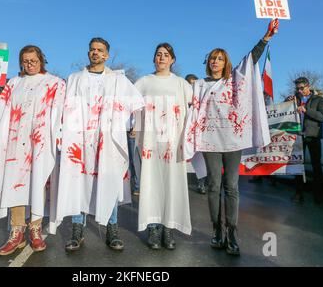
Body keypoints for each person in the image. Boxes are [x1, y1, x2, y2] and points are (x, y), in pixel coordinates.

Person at [184, 19, 279, 256]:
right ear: (208, 63)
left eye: (220, 58)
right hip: (209, 140)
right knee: (214, 185)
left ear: (225, 63)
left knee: (232, 187)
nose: (215, 62)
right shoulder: (198, 85)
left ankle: (232, 233)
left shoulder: (233, 80)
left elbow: (250, 61)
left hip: (232, 140)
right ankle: (217, 230)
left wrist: (266, 37)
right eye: (212, 58)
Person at [55, 37, 144, 252]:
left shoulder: (118, 80)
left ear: (106, 55)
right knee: (79, 183)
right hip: (80, 141)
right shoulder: (74, 78)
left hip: (108, 141)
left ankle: (111, 228)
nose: (95, 53)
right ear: (88, 53)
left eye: (100, 50)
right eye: (92, 49)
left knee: (109, 181)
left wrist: (136, 126)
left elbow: (138, 103)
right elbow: (61, 108)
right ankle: (78, 229)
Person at [0, 45, 66, 256]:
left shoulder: (55, 83)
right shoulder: (14, 83)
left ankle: (34, 228)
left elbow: (61, 111)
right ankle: (16, 232)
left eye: (33, 60)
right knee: (14, 183)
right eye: (25, 61)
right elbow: (0, 108)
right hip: (15, 141)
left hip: (39, 142)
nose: (30, 65)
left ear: (41, 60)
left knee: (37, 183)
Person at [134, 43, 193, 250]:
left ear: (172, 60)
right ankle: (153, 227)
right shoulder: (143, 82)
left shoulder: (181, 85)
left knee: (172, 185)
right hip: (150, 144)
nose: (161, 58)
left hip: (173, 144)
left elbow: (199, 108)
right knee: (150, 185)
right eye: (158, 54)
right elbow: (130, 107)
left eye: (166, 55)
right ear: (154, 59)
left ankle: (168, 228)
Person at [285, 77, 323, 205]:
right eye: (297, 88)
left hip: (313, 136)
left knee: (316, 166)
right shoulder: (295, 99)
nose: (299, 90)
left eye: (301, 88)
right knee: (298, 166)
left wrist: (306, 110)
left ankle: (319, 196)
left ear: (308, 86)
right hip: (298, 136)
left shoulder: (319, 99)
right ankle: (299, 194)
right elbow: (284, 112)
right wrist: (286, 102)